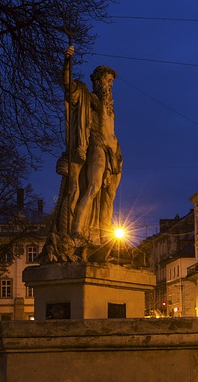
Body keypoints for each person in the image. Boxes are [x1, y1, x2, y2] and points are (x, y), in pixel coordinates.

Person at [40, 46, 122, 263]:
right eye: (106, 81)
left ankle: (104, 237)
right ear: (97, 81)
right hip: (97, 146)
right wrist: (67, 61)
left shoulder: (110, 105)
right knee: (92, 188)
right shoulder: (91, 98)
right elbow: (68, 87)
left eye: (111, 82)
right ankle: (77, 232)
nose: (109, 85)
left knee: (109, 197)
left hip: (115, 152)